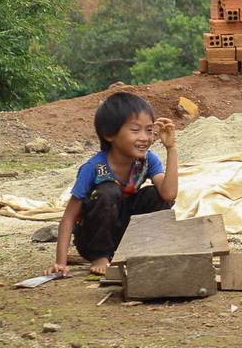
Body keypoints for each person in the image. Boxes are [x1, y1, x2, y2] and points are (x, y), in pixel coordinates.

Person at [48, 91, 178, 277]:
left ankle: (143, 248)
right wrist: (60, 263)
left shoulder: (148, 161)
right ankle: (101, 255)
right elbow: (68, 218)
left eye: (149, 130)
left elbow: (169, 195)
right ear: (109, 134)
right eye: (135, 130)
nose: (144, 137)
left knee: (154, 194)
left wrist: (171, 148)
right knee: (107, 191)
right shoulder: (93, 167)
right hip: (93, 239)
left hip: (125, 232)